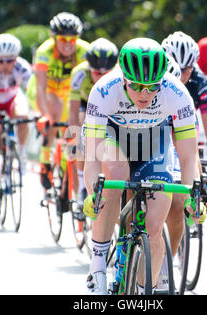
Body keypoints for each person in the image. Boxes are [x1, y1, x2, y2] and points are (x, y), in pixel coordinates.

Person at [82, 38, 201, 294]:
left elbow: (189, 154)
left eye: (152, 87)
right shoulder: (104, 90)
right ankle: (98, 266)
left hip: (153, 141)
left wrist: (192, 193)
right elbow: (92, 156)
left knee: (155, 224)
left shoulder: (177, 93)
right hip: (115, 136)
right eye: (136, 86)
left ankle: (142, 290)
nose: (145, 94)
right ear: (124, 78)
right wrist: (93, 191)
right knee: (115, 173)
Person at [162, 31, 207, 257]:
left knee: (190, 164)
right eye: (176, 68)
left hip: (185, 126)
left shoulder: (199, 81)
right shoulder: (158, 75)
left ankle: (184, 217)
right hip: (159, 127)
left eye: (187, 69)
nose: (181, 75)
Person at [26, 12, 89, 191]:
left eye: (72, 39)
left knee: (73, 124)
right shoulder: (44, 52)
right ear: (54, 38)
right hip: (46, 90)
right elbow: (40, 87)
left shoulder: (84, 50)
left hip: (68, 91)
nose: (68, 44)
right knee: (54, 112)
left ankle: (66, 163)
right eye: (63, 39)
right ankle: (45, 162)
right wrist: (44, 115)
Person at [0, 34, 32, 214]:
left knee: (24, 116)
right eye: (0, 61)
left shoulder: (22, 67)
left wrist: (39, 111)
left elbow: (31, 92)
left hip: (12, 98)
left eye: (9, 60)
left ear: (16, 58)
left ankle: (22, 154)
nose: (4, 65)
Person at [68, 37, 119, 210]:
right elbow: (73, 109)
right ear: (89, 67)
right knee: (83, 133)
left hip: (109, 107)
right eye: (96, 73)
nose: (101, 77)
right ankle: (83, 186)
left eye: (106, 73)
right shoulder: (79, 73)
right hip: (85, 103)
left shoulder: (119, 74)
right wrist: (74, 138)